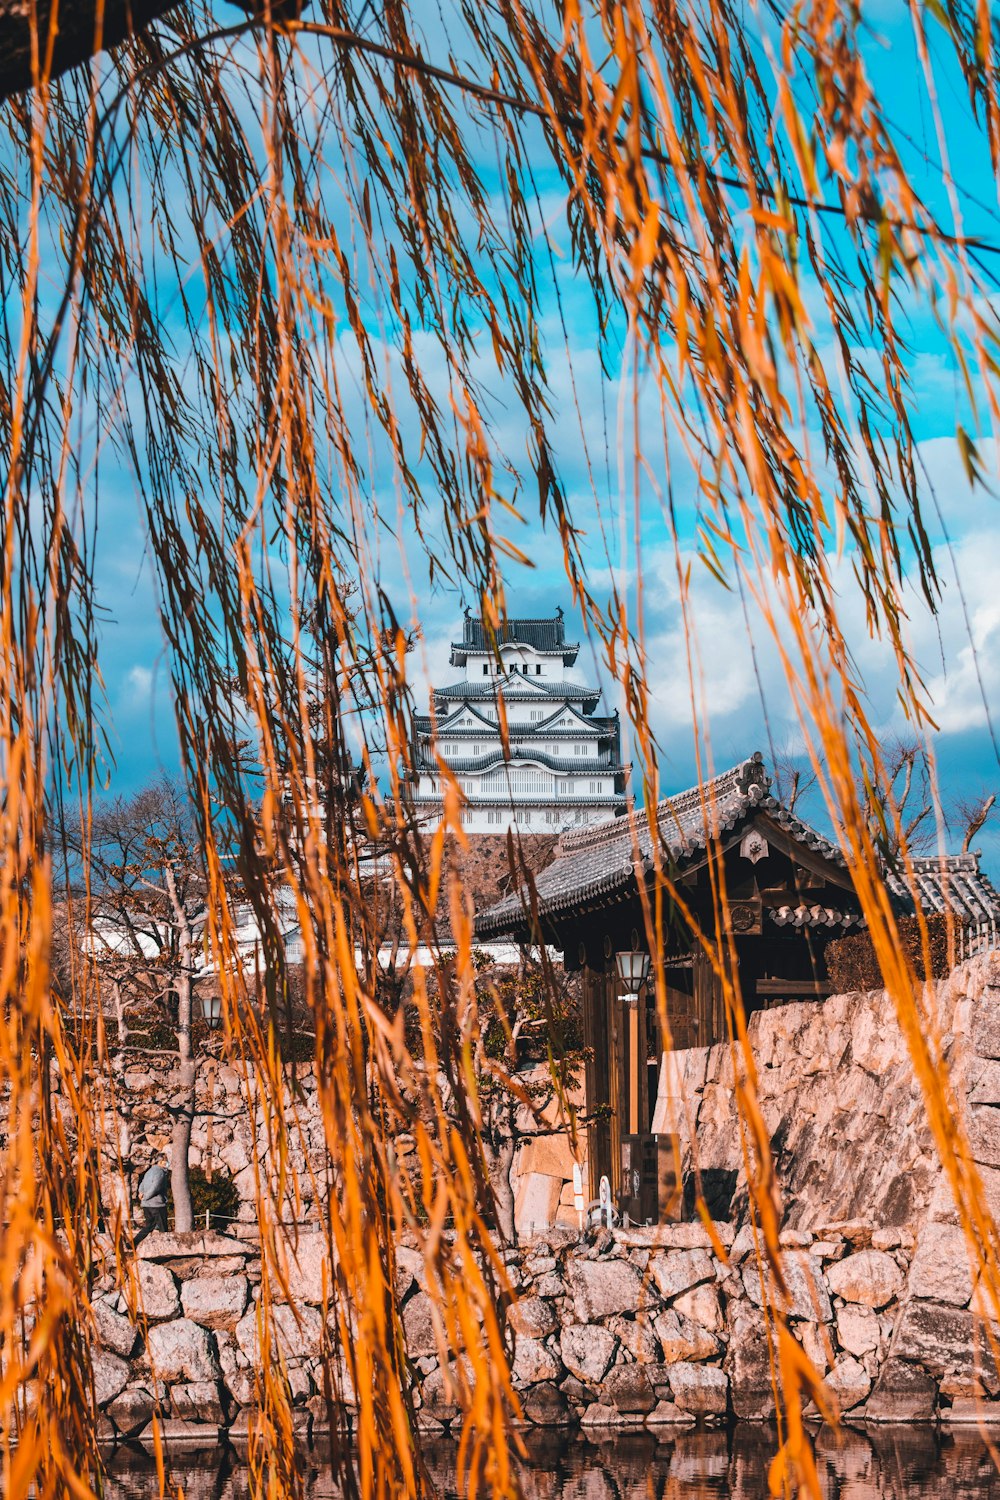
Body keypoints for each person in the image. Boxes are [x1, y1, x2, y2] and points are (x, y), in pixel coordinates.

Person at [133, 1156, 170, 1246]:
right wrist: (146, 1196)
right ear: (160, 1162)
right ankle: (165, 1248)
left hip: (146, 1205)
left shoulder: (149, 1171)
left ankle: (133, 1243)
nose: (166, 1164)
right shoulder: (160, 1172)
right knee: (163, 1228)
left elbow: (142, 1183)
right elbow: (156, 1187)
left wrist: (141, 1194)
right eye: (165, 1162)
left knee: (149, 1226)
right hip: (157, 1205)